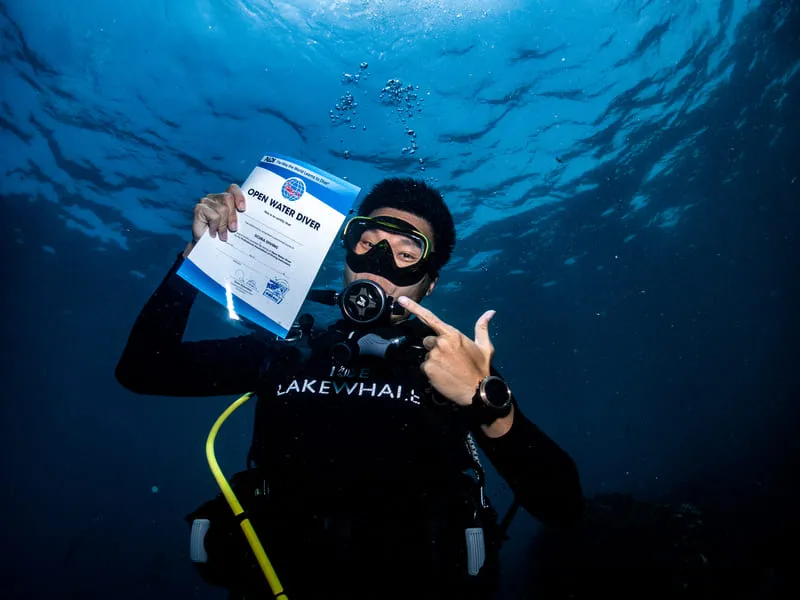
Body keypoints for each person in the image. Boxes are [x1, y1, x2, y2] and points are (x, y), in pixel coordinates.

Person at [116, 177, 583, 599]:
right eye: (367, 243)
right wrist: (197, 259)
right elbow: (142, 370)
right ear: (347, 253)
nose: (379, 263)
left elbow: (562, 506)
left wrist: (485, 399)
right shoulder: (290, 351)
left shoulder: (452, 371)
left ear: (429, 283)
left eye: (405, 254)